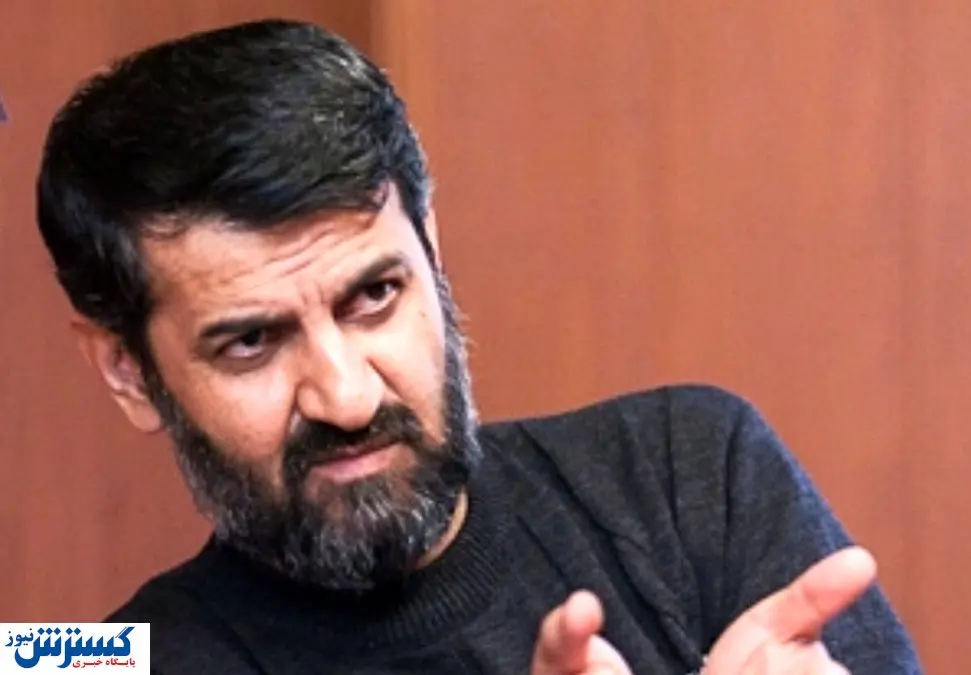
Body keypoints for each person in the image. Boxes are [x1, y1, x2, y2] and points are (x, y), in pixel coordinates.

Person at [34, 18, 922, 675]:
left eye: (374, 296)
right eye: (251, 342)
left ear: (432, 250)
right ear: (128, 371)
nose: (347, 396)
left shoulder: (689, 470)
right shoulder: (104, 664)